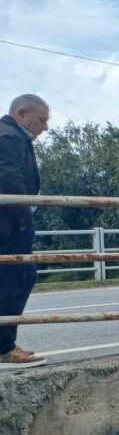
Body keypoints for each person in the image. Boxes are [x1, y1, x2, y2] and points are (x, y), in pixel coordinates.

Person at [0, 94, 49, 369]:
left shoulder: (10, 134)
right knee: (17, 278)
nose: (45, 126)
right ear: (21, 113)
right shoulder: (9, 136)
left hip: (8, 223)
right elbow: (9, 180)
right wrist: (25, 218)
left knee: (13, 278)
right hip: (9, 226)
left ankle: (5, 345)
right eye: (41, 119)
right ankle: (4, 348)